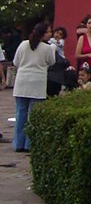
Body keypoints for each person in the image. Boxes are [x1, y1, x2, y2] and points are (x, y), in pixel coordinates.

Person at [13, 22, 56, 152]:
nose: (50, 34)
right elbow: (51, 62)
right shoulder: (48, 48)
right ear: (43, 34)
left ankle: (18, 143)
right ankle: (29, 144)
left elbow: (16, 62)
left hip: (22, 81)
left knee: (21, 113)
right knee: (33, 115)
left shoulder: (23, 44)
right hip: (37, 83)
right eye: (48, 32)